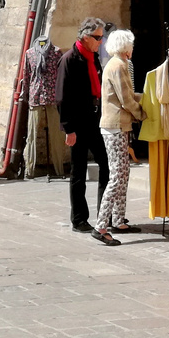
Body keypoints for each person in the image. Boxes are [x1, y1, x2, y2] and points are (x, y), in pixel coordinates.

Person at [56, 17, 109, 234]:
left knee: (106, 164)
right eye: (97, 37)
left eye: (102, 37)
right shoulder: (69, 59)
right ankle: (78, 219)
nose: (101, 41)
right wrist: (68, 129)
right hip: (77, 123)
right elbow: (61, 97)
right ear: (85, 37)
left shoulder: (93, 58)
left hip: (95, 120)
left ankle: (104, 214)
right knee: (78, 172)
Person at [92, 28, 144, 246]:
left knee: (123, 172)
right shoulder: (119, 66)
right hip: (115, 126)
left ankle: (119, 219)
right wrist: (143, 113)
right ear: (126, 46)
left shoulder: (114, 64)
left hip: (117, 125)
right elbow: (126, 99)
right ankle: (101, 225)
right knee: (117, 175)